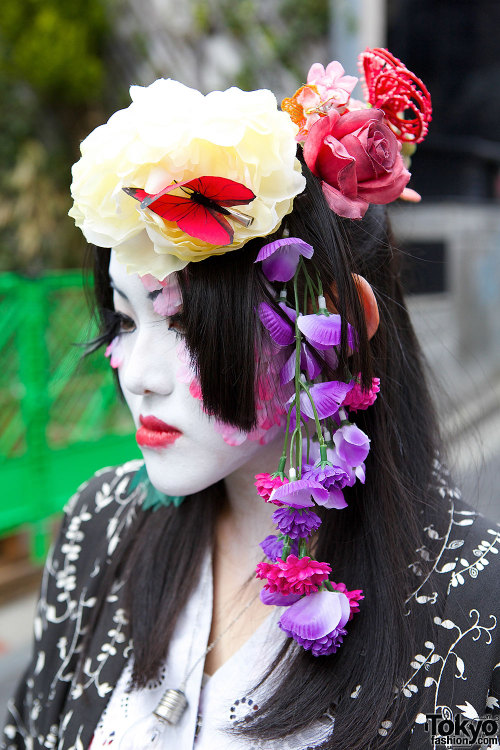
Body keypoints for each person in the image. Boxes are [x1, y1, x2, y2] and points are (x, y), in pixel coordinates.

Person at [2, 49, 499, 750]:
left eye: (179, 323)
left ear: (336, 328)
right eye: (121, 319)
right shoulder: (97, 526)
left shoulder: (478, 607)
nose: (137, 374)